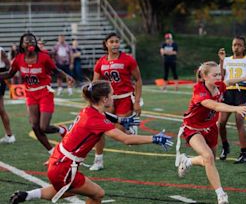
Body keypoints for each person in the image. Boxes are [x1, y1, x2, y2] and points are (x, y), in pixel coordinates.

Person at [9, 80, 173, 204]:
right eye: (111, 94)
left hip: (59, 160)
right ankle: (29, 195)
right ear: (104, 99)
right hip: (64, 166)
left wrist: (120, 120)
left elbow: (104, 116)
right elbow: (126, 139)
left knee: (66, 190)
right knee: (97, 194)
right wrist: (154, 138)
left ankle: (27, 195)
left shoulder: (88, 110)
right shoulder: (96, 120)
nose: (113, 97)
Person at [176, 61, 246, 204]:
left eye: (219, 73)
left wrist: (245, 77)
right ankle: (221, 195)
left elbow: (228, 81)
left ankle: (187, 161)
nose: (219, 77)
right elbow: (214, 105)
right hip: (193, 128)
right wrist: (235, 108)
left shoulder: (218, 85)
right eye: (215, 75)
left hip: (211, 127)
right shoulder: (199, 91)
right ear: (204, 76)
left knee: (209, 159)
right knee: (208, 157)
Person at [0, 32, 73, 157]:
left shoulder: (44, 57)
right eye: (27, 41)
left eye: (32, 41)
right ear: (22, 44)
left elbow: (55, 71)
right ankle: (52, 152)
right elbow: (10, 74)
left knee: (43, 127)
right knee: (35, 126)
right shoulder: (18, 58)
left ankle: (62, 130)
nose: (30, 43)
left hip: (44, 92)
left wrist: (67, 76)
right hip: (30, 94)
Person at [89, 32, 143, 171]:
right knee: (99, 130)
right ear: (106, 44)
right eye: (111, 42)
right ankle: (98, 160)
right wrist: (94, 102)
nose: (115, 44)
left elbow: (138, 80)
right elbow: (95, 83)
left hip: (125, 98)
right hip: (108, 100)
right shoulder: (101, 62)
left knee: (118, 132)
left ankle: (129, 128)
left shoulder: (128, 59)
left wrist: (137, 102)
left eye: (117, 41)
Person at [218, 36, 246, 163]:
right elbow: (222, 77)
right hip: (228, 92)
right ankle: (225, 146)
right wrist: (221, 61)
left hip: (242, 91)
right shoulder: (227, 60)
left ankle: (244, 153)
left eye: (239, 45)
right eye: (234, 45)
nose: (236, 47)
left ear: (244, 47)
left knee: (239, 121)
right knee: (221, 123)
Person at [0, 46, 14, 144]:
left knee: (1, 108)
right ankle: (9, 135)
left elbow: (9, 67)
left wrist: (7, 80)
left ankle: (9, 135)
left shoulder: (0, 50)